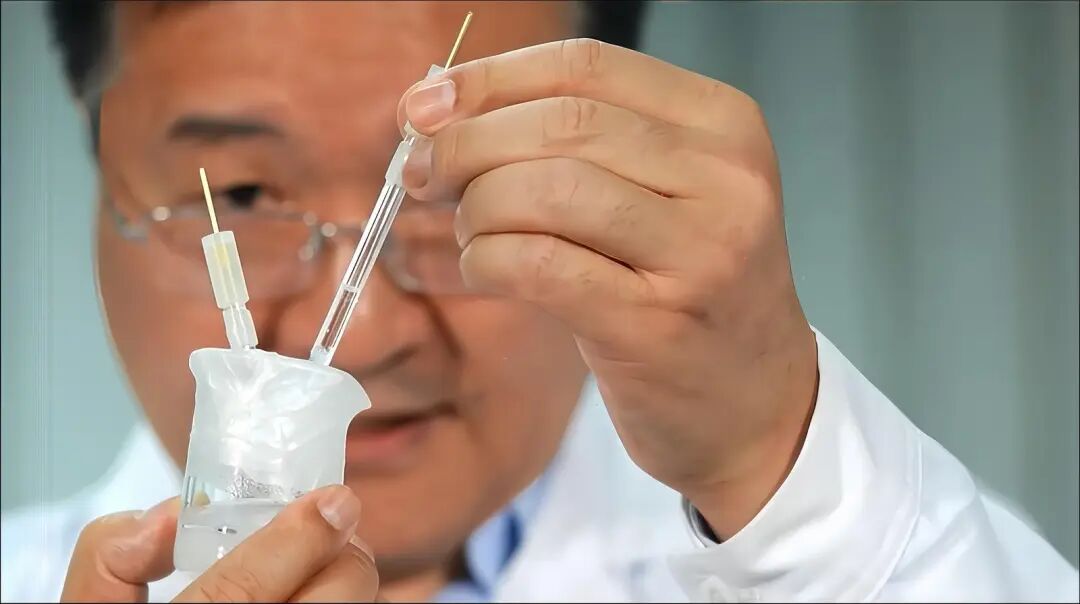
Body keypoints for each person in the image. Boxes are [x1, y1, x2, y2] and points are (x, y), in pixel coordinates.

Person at [2, 1, 1077, 601]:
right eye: (239, 196)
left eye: (448, 189)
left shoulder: (889, 557)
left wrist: (778, 474)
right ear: (97, 180)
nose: (361, 337)